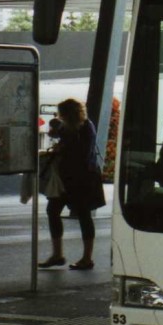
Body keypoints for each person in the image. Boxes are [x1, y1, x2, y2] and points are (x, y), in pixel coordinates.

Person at [39, 98, 106, 270]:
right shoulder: (72, 127)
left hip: (82, 179)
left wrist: (62, 148)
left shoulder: (85, 127)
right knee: (54, 211)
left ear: (68, 114)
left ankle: (86, 258)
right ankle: (58, 254)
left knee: (83, 215)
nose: (60, 117)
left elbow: (80, 152)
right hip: (67, 178)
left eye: (61, 113)